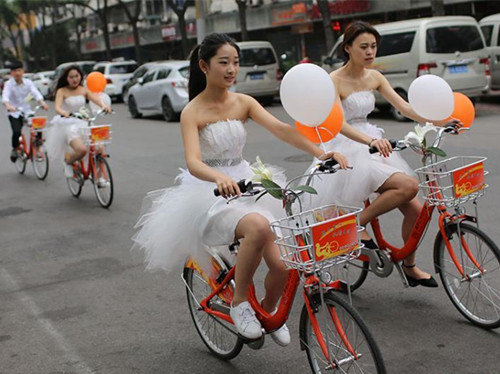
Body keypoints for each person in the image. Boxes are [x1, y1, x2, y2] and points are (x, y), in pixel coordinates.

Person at [133, 33, 348, 343]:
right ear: (205, 66)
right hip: (210, 192)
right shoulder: (192, 112)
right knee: (258, 227)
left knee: (284, 265)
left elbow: (282, 129)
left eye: (235, 62)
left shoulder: (244, 102)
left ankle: (270, 316)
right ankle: (240, 303)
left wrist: (321, 152)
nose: (232, 69)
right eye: (224, 62)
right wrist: (217, 177)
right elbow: (193, 161)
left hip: (248, 182)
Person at [308, 21, 454, 287]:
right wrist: (370, 141)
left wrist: (440, 120)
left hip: (375, 144)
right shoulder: (333, 81)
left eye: (373, 46)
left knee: (417, 212)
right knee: (408, 186)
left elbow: (405, 107)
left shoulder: (375, 76)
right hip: (348, 145)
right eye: (363, 46)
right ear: (347, 48)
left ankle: (409, 267)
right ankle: (354, 224)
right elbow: (337, 124)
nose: (369, 52)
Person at [45, 65, 111, 178]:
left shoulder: (83, 90)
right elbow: (57, 107)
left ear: (80, 76)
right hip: (69, 124)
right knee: (81, 150)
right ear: (66, 78)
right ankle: (68, 162)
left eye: (77, 76)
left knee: (100, 149)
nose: (75, 79)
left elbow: (96, 100)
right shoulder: (62, 91)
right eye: (71, 77)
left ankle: (99, 178)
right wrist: (64, 112)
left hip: (84, 122)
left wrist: (105, 106)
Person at [2, 60, 49, 162]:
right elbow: (5, 96)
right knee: (16, 131)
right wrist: (8, 105)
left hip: (27, 111)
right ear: (11, 73)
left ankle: (37, 148)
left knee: (38, 126)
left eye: (19, 70)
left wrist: (42, 103)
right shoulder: (8, 84)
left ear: (23, 71)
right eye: (14, 71)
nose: (17, 73)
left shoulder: (28, 83)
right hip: (14, 112)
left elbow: (36, 93)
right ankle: (15, 148)